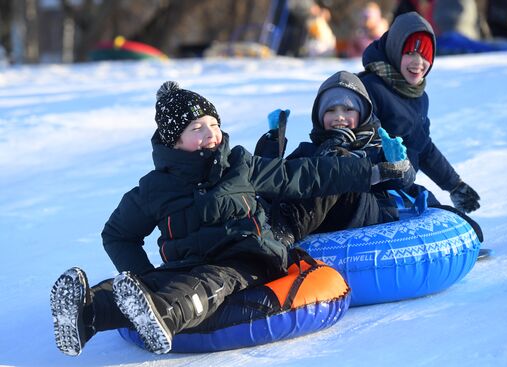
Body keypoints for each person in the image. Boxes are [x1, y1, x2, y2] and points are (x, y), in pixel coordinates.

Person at [49, 81, 411, 356]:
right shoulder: (155, 188)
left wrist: (374, 172)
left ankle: (161, 315)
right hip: (187, 260)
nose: (210, 135)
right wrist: (142, 276)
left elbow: (306, 176)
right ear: (174, 140)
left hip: (248, 257)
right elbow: (117, 234)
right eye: (197, 129)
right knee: (156, 280)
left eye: (213, 124)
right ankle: (87, 313)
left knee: (207, 283)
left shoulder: (239, 165)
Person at [255, 70, 416, 244]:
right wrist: (273, 141)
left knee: (337, 164)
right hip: (320, 223)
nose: (339, 117)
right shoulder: (309, 151)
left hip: (364, 218)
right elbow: (277, 182)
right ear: (319, 117)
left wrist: (399, 164)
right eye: (330, 110)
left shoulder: (372, 148)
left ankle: (285, 229)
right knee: (304, 172)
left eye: (348, 109)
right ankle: (267, 227)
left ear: (362, 114)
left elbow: (404, 182)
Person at [358, 11, 481, 217]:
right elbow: (359, 145)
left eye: (425, 55)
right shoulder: (370, 88)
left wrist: (454, 184)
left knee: (455, 221)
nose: (418, 62)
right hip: (373, 193)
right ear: (396, 50)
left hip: (404, 188)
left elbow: (423, 147)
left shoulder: (419, 98)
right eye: (410, 53)